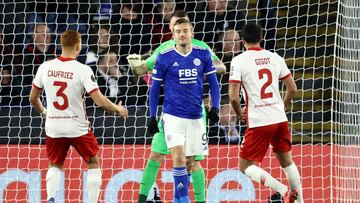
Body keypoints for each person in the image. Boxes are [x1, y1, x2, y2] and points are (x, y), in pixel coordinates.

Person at [127, 10, 225, 203]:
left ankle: (183, 199)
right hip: (170, 114)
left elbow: (220, 67)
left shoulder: (202, 48)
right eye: (175, 28)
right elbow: (144, 72)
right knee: (160, 156)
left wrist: (206, 74)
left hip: (196, 113)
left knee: (192, 163)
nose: (180, 32)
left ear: (190, 30)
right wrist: (135, 66)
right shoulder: (163, 50)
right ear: (171, 30)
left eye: (184, 29)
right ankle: (143, 198)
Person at [29, 30, 128, 203]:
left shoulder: (45, 67)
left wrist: (44, 112)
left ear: (61, 45)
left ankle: (51, 198)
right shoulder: (83, 70)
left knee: (55, 164)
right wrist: (117, 109)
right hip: (77, 127)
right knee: (93, 162)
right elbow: (99, 101)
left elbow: (32, 98)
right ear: (78, 46)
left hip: (54, 127)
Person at [228, 23, 303, 203]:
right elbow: (292, 89)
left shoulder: (239, 60)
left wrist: (239, 114)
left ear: (242, 41)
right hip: (279, 118)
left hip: (258, 120)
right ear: (261, 38)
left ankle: (284, 191)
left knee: (245, 166)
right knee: (287, 160)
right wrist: (281, 106)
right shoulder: (275, 57)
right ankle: (300, 201)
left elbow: (232, 97)